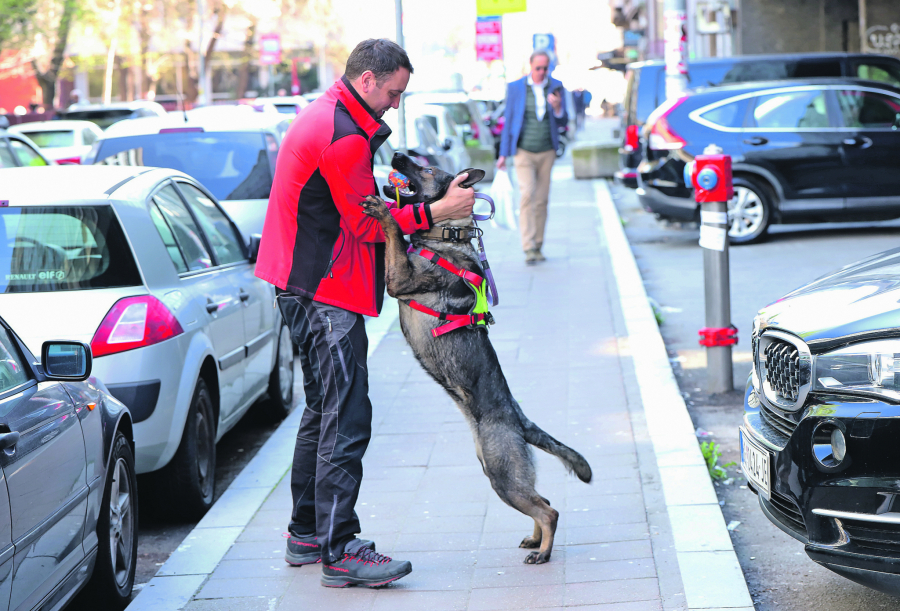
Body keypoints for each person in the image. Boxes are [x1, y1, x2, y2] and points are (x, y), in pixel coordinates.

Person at [255, 39, 476, 588]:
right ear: (369, 80)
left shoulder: (330, 114)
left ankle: (307, 533)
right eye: (395, 92)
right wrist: (437, 209)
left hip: (299, 282)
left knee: (322, 410)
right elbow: (362, 226)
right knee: (346, 417)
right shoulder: (344, 136)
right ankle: (339, 548)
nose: (396, 105)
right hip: (323, 291)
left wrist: (392, 197)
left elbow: (349, 203)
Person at [496, 50, 568, 264]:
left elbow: (564, 120)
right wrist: (503, 154)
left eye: (545, 68)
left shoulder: (556, 86)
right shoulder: (516, 88)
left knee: (542, 200)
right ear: (530, 66)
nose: (541, 72)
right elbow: (509, 121)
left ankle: (538, 244)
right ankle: (527, 246)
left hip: (547, 151)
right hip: (523, 151)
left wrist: (557, 108)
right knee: (527, 194)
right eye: (538, 68)